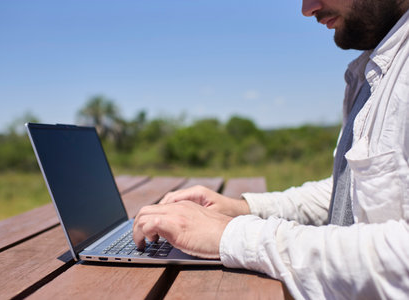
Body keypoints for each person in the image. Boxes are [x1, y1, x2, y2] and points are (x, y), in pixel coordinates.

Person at [133, 0, 409, 299]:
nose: (307, 8)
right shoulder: (372, 70)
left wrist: (233, 236)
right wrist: (244, 208)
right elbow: (349, 195)